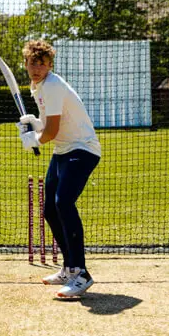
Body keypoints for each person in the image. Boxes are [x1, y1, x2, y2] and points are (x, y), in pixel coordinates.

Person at [16, 39, 101, 299]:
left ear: (50, 65)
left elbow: (51, 132)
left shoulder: (51, 85)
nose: (37, 68)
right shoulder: (37, 86)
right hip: (64, 150)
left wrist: (35, 138)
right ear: (26, 64)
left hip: (83, 149)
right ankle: (68, 268)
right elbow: (51, 123)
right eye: (33, 63)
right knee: (50, 210)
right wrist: (35, 125)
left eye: (42, 64)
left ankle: (82, 273)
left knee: (63, 203)